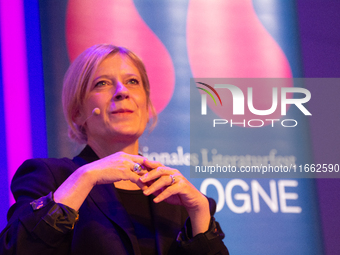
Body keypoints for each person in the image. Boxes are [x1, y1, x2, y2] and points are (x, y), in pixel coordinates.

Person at [0, 44, 229, 255]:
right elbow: (15, 249)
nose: (122, 92)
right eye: (102, 83)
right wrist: (86, 176)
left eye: (132, 82)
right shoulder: (51, 177)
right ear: (77, 112)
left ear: (146, 106)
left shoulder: (174, 197)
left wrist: (200, 214)